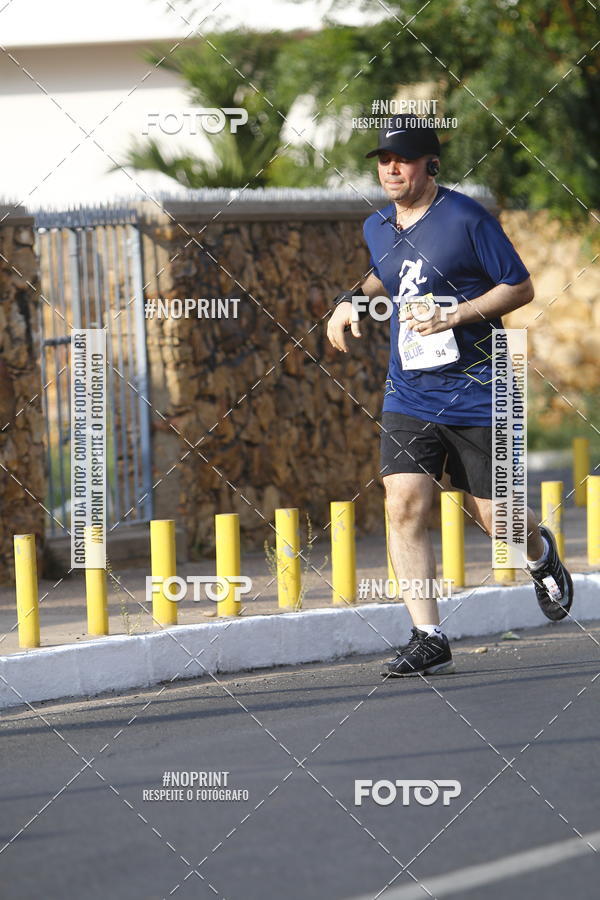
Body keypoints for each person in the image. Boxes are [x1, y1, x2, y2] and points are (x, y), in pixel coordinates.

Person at [326, 114, 573, 678]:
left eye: (403, 159)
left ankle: (540, 552)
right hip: (409, 391)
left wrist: (457, 314)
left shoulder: (465, 217)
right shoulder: (377, 226)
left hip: (482, 390)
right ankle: (427, 634)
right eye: (384, 160)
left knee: (498, 520)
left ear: (429, 164)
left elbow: (520, 284)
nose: (391, 169)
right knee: (403, 501)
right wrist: (349, 300)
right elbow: (383, 277)